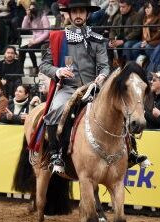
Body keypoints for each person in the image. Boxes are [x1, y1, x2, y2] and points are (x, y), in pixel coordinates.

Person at [39, 0, 110, 173]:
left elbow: (105, 66)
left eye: (81, 12)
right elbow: (44, 66)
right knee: (55, 109)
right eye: (74, 11)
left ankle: (131, 151)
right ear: (69, 14)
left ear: (87, 14)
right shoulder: (57, 38)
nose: (78, 15)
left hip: (94, 88)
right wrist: (58, 71)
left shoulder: (98, 39)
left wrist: (101, 77)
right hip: (69, 89)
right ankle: (56, 153)